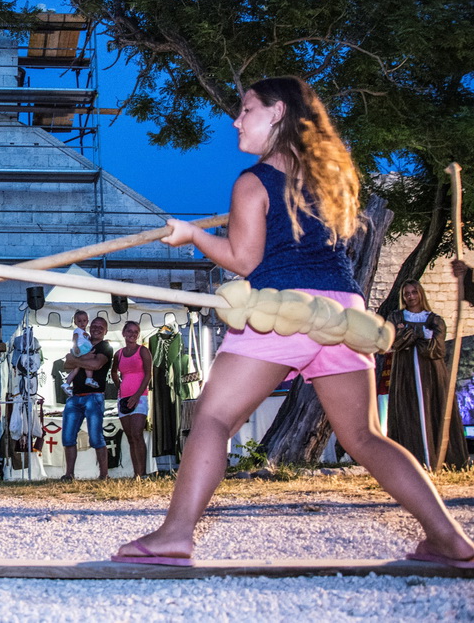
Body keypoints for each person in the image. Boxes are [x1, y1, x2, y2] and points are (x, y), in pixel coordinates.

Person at [113, 76, 474, 569]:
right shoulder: (328, 181)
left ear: (277, 112)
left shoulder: (252, 180)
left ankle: (175, 535)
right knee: (366, 436)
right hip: (344, 313)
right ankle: (450, 540)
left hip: (282, 312)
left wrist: (193, 234)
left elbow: (243, 260)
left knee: (214, 418)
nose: (236, 120)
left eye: (246, 110)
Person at [385, 279, 467, 469]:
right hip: (404, 373)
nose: (411, 296)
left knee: (433, 409)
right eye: (407, 293)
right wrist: (422, 333)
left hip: (431, 374)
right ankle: (410, 463)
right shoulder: (396, 317)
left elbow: (436, 349)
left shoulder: (435, 319)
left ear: (420, 293)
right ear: (403, 297)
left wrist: (410, 333)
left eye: (414, 292)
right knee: (408, 412)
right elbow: (393, 342)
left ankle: (441, 461)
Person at [59, 316, 113, 481]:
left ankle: (104, 475)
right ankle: (69, 474)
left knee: (96, 437)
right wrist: (83, 360)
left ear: (106, 331)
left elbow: (96, 365)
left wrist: (77, 360)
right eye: (94, 325)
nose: (96, 328)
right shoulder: (83, 341)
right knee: (67, 437)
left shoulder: (106, 346)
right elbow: (66, 364)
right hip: (75, 396)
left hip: (94, 396)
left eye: (100, 327)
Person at [111, 321, 153, 478]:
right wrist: (119, 387)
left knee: (137, 434)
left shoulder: (143, 351)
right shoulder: (119, 354)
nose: (132, 334)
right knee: (129, 437)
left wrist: (136, 396)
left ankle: (142, 473)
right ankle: (136, 473)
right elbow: (114, 372)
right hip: (123, 397)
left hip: (139, 397)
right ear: (123, 333)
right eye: (129, 331)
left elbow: (148, 374)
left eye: (136, 331)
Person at [61, 310, 96, 397]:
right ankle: (89, 378)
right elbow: (75, 338)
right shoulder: (77, 331)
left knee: (76, 368)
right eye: (79, 321)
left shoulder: (86, 334)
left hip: (83, 349)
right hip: (81, 349)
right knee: (88, 364)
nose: (82, 323)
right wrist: (75, 346)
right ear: (75, 322)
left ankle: (67, 383)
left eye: (84, 321)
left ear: (87, 321)